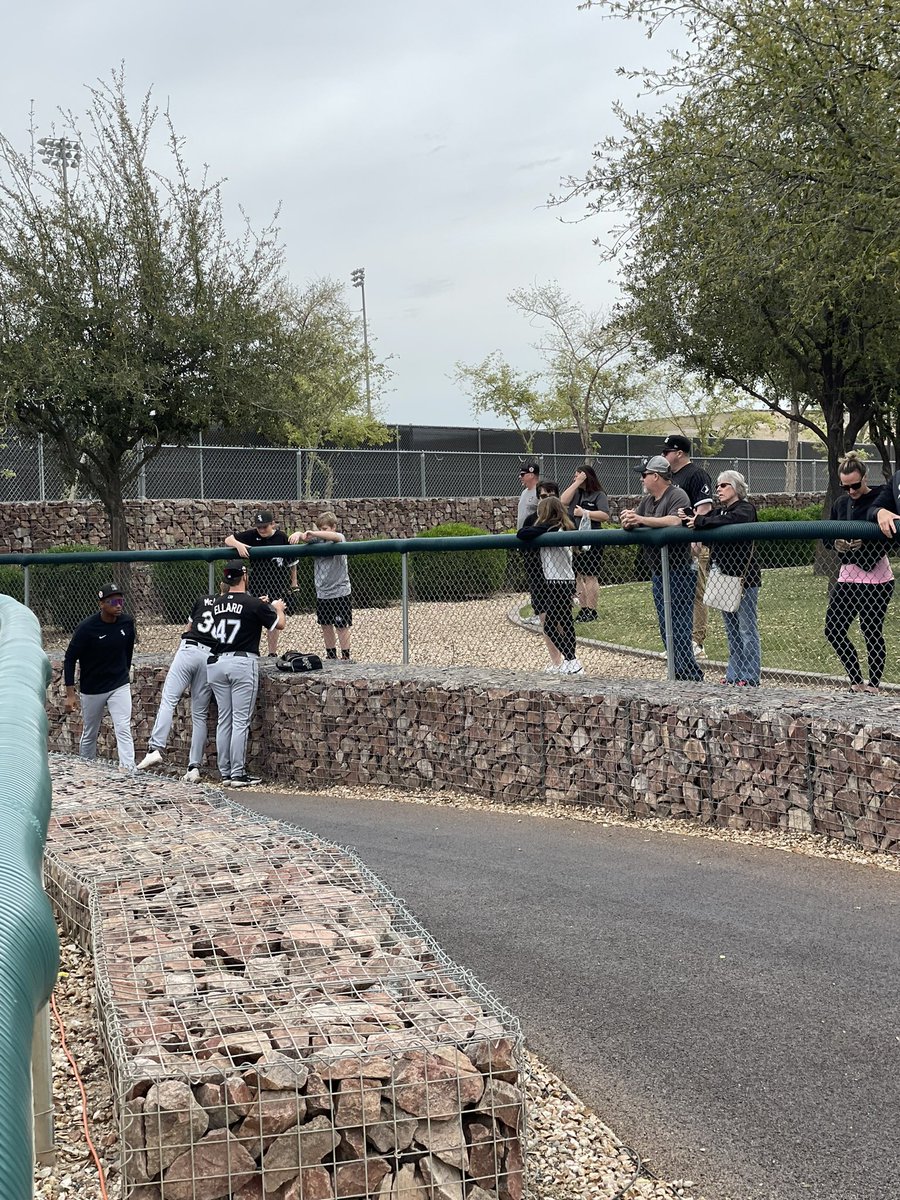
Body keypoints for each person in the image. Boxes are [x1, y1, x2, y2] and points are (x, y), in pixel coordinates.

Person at [620, 456, 702, 681]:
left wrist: (641, 519)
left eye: (644, 475)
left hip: (679, 570)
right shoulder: (647, 502)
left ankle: (690, 676)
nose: (641, 479)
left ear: (656, 475)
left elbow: (676, 521)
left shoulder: (677, 494)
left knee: (679, 625)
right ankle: (680, 673)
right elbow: (639, 520)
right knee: (666, 627)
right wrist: (630, 521)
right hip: (658, 572)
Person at [206, 560, 285, 787]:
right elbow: (279, 625)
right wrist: (277, 609)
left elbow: (234, 612)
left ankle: (225, 772)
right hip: (241, 662)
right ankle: (238, 774)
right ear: (244, 576)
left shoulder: (216, 602)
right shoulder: (253, 603)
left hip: (217, 662)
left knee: (225, 719)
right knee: (240, 721)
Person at [823, 453, 893, 692]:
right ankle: (856, 680)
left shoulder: (880, 497)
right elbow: (826, 536)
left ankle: (874, 685)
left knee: (871, 630)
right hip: (848, 575)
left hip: (877, 577)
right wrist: (837, 542)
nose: (851, 491)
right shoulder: (841, 503)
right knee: (833, 629)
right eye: (845, 487)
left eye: (855, 485)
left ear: (865, 477)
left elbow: (891, 536)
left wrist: (868, 542)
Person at [136, 591, 220, 781]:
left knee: (169, 700)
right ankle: (194, 767)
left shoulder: (202, 599)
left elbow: (189, 626)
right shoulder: (230, 605)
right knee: (199, 714)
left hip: (189, 649)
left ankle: (155, 748)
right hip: (210, 657)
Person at [689, 471, 762, 687]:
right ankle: (734, 674)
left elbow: (728, 520)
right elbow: (711, 522)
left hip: (743, 579)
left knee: (747, 629)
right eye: (718, 486)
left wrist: (701, 520)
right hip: (722, 578)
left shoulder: (745, 509)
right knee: (732, 630)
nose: (718, 489)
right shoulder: (720, 512)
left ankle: (749, 677)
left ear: (737, 487)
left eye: (724, 485)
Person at [63, 582, 137, 772]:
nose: (118, 605)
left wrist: (124, 673)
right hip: (93, 688)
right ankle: (87, 768)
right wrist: (70, 694)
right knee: (90, 732)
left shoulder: (127, 623)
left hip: (119, 684)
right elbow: (70, 658)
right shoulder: (86, 628)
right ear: (102, 604)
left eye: (121, 600)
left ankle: (129, 771)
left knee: (122, 727)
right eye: (113, 601)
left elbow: (128, 651)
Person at [661, 435, 715, 659]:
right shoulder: (670, 476)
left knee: (697, 593)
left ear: (679, 453)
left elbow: (704, 507)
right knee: (676, 593)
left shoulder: (696, 473)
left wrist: (697, 539)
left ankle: (696, 641)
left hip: (694, 544)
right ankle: (680, 641)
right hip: (675, 546)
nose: (664, 456)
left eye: (667, 452)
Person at [516, 495, 583, 674]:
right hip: (564, 581)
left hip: (557, 583)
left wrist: (541, 525)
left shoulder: (553, 528)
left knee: (550, 625)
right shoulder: (562, 527)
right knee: (566, 621)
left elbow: (522, 533)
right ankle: (571, 660)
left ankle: (571, 659)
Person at [224, 509, 296, 656]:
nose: (262, 530)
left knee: (273, 618)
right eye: (259, 527)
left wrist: (294, 583)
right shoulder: (252, 535)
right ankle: (250, 649)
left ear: (273, 524)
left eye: (265, 526)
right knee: (253, 618)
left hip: (278, 584)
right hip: (258, 584)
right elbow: (228, 539)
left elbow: (292, 562)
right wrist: (238, 545)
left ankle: (272, 652)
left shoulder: (281, 537)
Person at [289, 512, 354, 662]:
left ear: (333, 527)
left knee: (341, 625)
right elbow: (306, 537)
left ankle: (346, 656)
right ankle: (331, 655)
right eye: (320, 529)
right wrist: (300, 534)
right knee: (325, 625)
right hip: (322, 593)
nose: (322, 532)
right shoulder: (316, 542)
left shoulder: (340, 539)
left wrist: (314, 533)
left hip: (340, 592)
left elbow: (336, 537)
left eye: (325, 528)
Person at [560, 464, 610, 623]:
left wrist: (585, 513)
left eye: (578, 476)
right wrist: (576, 483)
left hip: (592, 540)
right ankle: (583, 608)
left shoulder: (598, 495)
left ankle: (592, 609)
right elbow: (562, 501)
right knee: (578, 575)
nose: (575, 478)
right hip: (575, 539)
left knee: (590, 575)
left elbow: (604, 515)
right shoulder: (576, 493)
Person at [516, 461, 543, 627]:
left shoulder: (540, 492)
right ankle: (537, 611)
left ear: (531, 474)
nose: (520, 477)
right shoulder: (525, 493)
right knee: (532, 578)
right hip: (524, 541)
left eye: (523, 474)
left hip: (535, 542)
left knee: (538, 579)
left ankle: (540, 613)